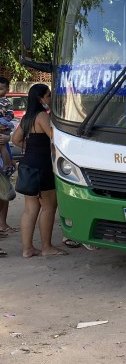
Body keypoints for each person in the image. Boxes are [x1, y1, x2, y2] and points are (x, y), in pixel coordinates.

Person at [11, 83, 66, 257]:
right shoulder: (42, 115)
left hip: (28, 164)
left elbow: (15, 139)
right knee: (49, 206)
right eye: (48, 95)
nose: (51, 98)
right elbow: (56, 138)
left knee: (30, 208)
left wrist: (31, 147)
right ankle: (46, 247)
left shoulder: (27, 117)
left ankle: (27, 249)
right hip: (42, 166)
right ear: (40, 98)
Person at [0, 76, 17, 182]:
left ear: (7, 90)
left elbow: (11, 114)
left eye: (1, 89)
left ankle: (7, 166)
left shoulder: (6, 102)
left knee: (2, 145)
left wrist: (5, 122)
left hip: (3, 126)